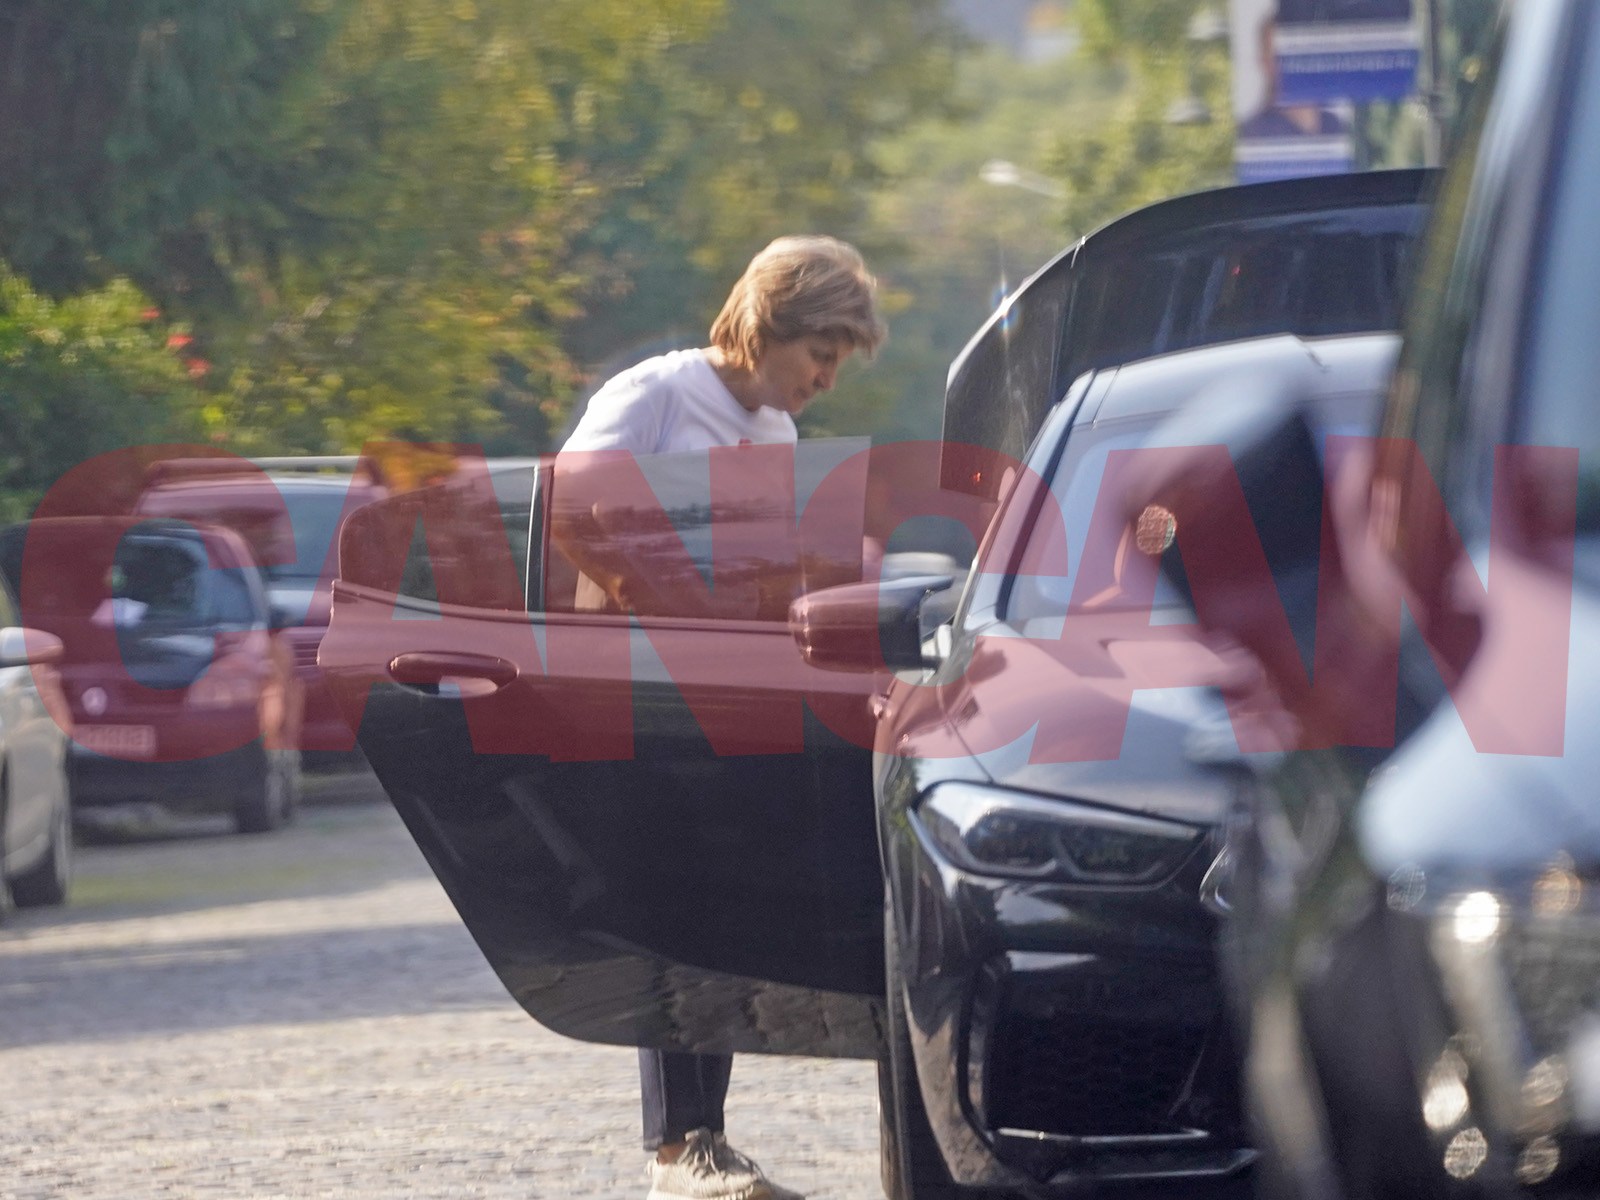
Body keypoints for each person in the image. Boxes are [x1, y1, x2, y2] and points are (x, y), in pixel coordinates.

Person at [558, 234, 886, 1200]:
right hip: (642, 695)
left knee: (721, 907)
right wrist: (657, 600)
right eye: (819, 354)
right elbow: (571, 504)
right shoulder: (656, 393)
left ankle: (703, 1141)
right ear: (771, 324)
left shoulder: (778, 432)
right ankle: (677, 1149)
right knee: (671, 905)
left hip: (736, 695)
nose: (826, 379)